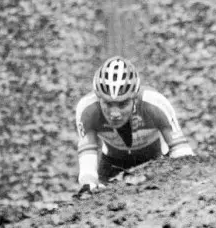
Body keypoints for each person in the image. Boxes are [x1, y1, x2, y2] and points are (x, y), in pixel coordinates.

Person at [74, 57, 194, 192]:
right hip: (112, 165)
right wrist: (88, 182)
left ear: (135, 99)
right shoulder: (88, 109)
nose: (115, 113)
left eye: (123, 104)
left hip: (156, 160)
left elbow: (181, 150)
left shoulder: (154, 103)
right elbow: (87, 157)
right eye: (107, 103)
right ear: (98, 98)